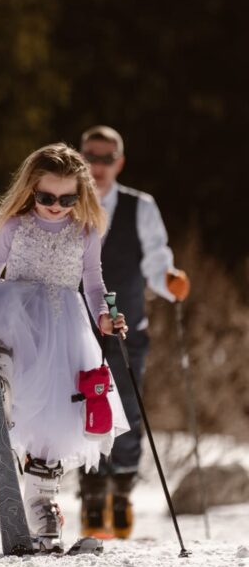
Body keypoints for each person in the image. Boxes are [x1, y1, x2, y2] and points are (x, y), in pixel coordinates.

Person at [0, 142, 130, 552]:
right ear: (31, 190)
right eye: (46, 197)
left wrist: (104, 316)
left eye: (67, 198)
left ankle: (42, 505)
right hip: (15, 314)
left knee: (56, 418)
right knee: (10, 377)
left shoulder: (86, 230)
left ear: (81, 195)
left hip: (63, 325)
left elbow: (94, 283)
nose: (56, 207)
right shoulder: (15, 226)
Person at [77, 125, 190, 539]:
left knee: (125, 405)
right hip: (75, 325)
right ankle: (90, 491)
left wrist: (170, 281)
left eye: (107, 158)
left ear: (119, 163)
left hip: (127, 326)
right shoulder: (64, 201)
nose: (99, 165)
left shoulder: (139, 206)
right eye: (91, 155)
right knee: (79, 405)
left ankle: (121, 491)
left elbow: (156, 261)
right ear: (80, 156)